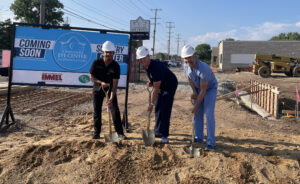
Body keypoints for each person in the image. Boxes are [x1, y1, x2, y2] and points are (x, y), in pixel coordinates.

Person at [136, 46, 178, 143]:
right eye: (140, 59)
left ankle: (165, 135)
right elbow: (153, 79)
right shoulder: (145, 65)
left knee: (165, 108)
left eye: (143, 58)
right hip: (161, 83)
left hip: (170, 85)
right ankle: (157, 130)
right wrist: (151, 81)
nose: (142, 60)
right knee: (158, 107)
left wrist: (151, 104)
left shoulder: (156, 67)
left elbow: (156, 89)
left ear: (148, 56)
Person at [181, 45, 218, 151]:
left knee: (209, 113)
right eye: (186, 58)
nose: (188, 60)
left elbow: (204, 90)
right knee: (198, 115)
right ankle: (198, 138)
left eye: (190, 57)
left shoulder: (203, 69)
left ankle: (210, 142)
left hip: (210, 89)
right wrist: (194, 92)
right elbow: (190, 79)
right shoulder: (186, 66)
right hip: (199, 89)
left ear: (195, 56)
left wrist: (196, 105)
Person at [89, 41, 126, 140]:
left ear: (113, 53)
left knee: (115, 110)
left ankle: (120, 133)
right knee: (97, 111)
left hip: (110, 90)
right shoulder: (96, 62)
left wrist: (111, 97)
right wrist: (101, 83)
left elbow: (115, 85)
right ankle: (97, 132)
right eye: (107, 52)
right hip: (97, 89)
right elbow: (91, 78)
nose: (108, 54)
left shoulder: (116, 66)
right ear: (103, 52)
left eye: (110, 52)